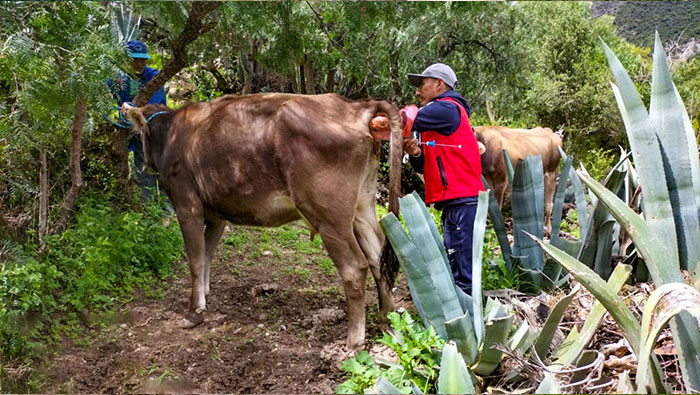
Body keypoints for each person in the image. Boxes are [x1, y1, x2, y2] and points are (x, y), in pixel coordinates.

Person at [402, 63, 485, 294]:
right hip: (455, 201)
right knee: (456, 261)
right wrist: (416, 152)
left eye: (422, 84)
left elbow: (405, 119)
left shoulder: (447, 108)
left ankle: (468, 321)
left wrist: (370, 117)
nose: (418, 91)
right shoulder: (435, 118)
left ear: (439, 84)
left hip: (462, 199)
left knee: (461, 270)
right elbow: (424, 162)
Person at [107, 40, 168, 204]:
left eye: (143, 59)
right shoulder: (118, 79)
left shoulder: (154, 77)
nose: (139, 63)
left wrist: (130, 107)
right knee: (143, 169)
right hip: (137, 132)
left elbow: (151, 107)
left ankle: (168, 211)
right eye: (135, 59)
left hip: (158, 132)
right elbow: (103, 95)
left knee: (164, 169)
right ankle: (148, 210)